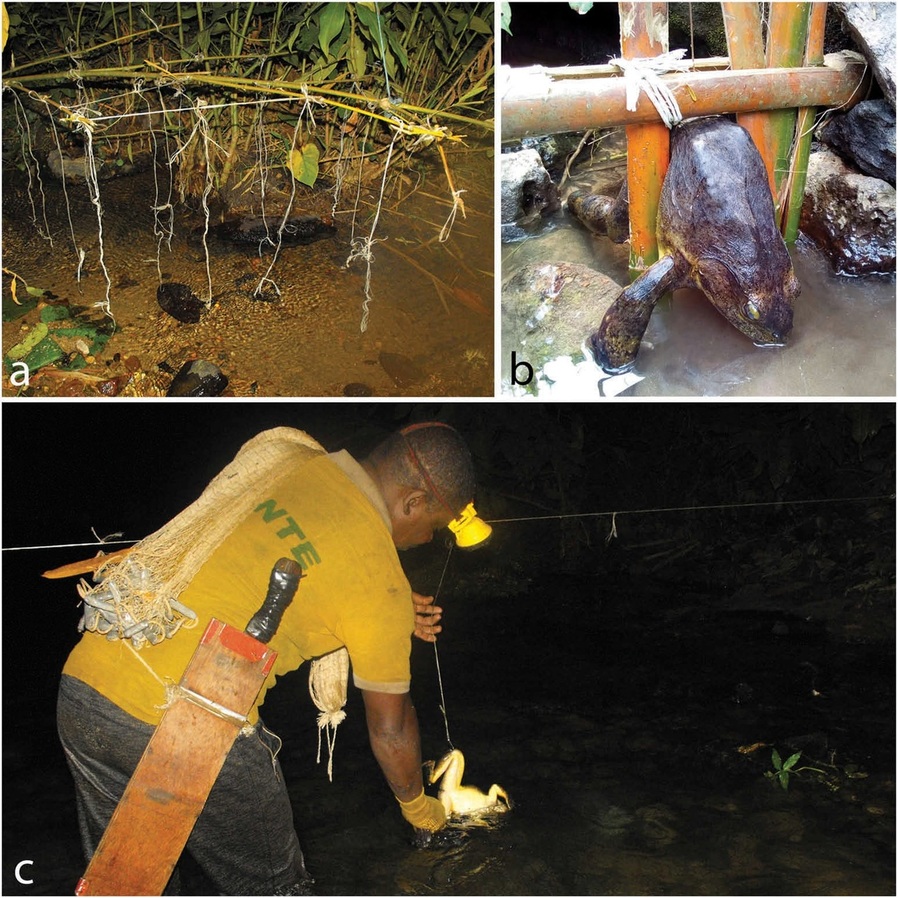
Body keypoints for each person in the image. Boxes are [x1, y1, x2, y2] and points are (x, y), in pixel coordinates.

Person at [57, 421, 479, 895]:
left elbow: (295, 567)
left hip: (91, 682)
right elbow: (390, 728)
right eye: (435, 529)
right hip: (188, 723)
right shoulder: (379, 581)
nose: (428, 540)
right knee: (279, 889)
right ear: (413, 503)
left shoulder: (290, 464)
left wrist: (391, 611)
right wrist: (419, 810)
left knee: (129, 884)